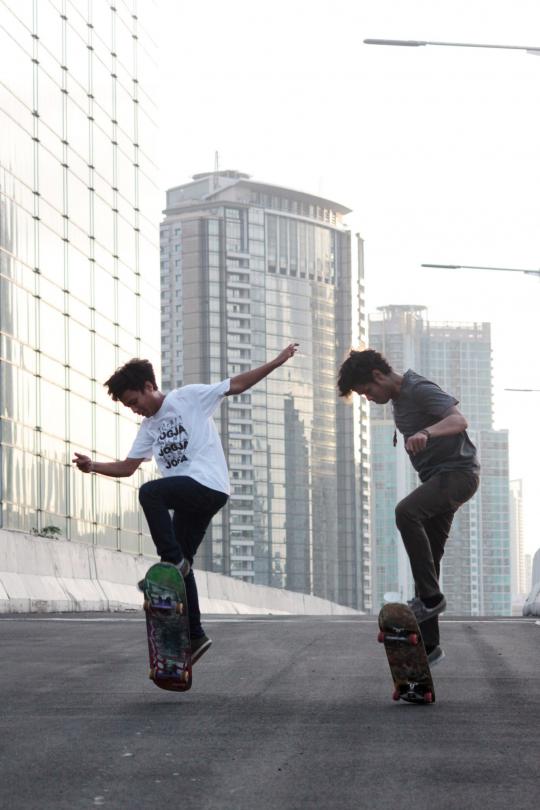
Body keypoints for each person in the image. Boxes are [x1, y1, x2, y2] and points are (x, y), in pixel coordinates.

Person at [73, 342, 299, 663]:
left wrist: (277, 361)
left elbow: (236, 385)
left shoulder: (187, 398)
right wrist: (93, 465)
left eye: (135, 402)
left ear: (150, 386)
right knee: (184, 568)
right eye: (128, 407)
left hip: (207, 484)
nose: (135, 410)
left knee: (151, 494)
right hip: (190, 498)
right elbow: (127, 467)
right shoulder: (149, 428)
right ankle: (195, 635)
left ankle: (172, 562)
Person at [337, 348, 480, 666]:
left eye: (367, 392)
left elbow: (459, 420)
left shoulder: (418, 389)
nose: (368, 399)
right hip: (439, 481)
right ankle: (430, 646)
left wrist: (427, 432)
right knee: (427, 560)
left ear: (378, 376)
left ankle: (430, 599)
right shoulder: (399, 400)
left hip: (457, 475)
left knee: (406, 512)